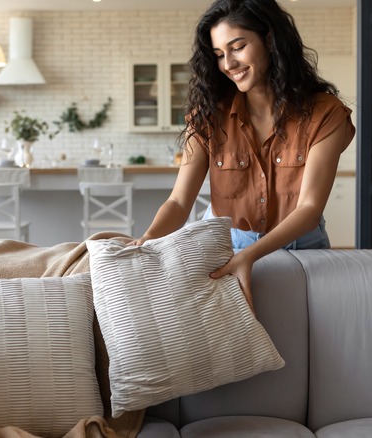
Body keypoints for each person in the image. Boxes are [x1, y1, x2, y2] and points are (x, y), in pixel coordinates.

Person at [129, 0, 355, 311]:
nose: (228, 64)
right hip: (230, 245)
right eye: (219, 54)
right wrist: (148, 239)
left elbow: (310, 207)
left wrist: (250, 256)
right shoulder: (209, 116)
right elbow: (180, 202)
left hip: (305, 248)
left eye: (237, 47)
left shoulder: (324, 113)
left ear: (271, 41)